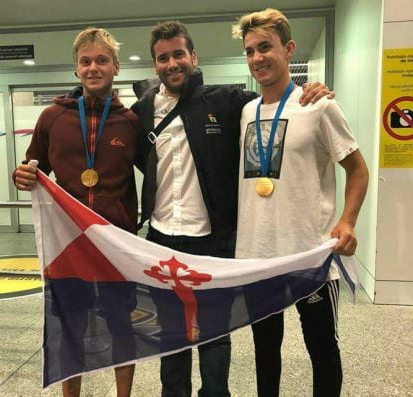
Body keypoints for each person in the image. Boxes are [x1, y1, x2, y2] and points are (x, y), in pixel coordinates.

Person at [131, 20, 333, 397]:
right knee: (172, 335)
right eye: (163, 58)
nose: (172, 63)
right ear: (154, 64)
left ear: (193, 56)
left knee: (214, 334)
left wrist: (310, 89)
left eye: (179, 54)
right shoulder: (142, 110)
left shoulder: (227, 101)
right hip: (161, 239)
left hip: (213, 241)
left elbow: (274, 102)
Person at [233, 8, 369, 397]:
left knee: (322, 347)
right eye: (250, 51)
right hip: (259, 255)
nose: (257, 58)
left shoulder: (319, 106)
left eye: (266, 47)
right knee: (265, 350)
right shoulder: (246, 111)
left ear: (288, 49)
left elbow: (358, 170)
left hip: (310, 255)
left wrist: (347, 221)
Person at [13, 27, 138, 397]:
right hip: (67, 246)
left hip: (115, 244)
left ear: (115, 67)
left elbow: (160, 173)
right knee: (70, 327)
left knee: (121, 328)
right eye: (85, 62)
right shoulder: (53, 117)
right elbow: (31, 167)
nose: (93, 67)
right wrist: (22, 175)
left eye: (102, 60)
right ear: (76, 69)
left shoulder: (130, 122)